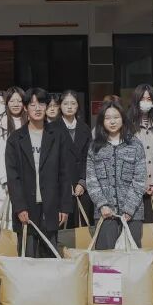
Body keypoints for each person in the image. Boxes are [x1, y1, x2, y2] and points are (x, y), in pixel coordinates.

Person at [6, 88, 71, 257]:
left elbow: (64, 173)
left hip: (51, 206)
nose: (37, 108)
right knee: (27, 259)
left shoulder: (57, 136)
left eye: (41, 104)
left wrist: (64, 206)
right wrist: (19, 207)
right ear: (25, 108)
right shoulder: (15, 139)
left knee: (50, 257)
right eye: (32, 104)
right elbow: (13, 177)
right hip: (26, 207)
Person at [86, 101, 147, 248]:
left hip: (133, 214)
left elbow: (139, 179)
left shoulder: (135, 145)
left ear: (123, 119)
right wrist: (102, 205)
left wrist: (129, 208)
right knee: (107, 258)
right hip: (105, 213)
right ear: (102, 121)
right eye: (107, 118)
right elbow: (91, 180)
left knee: (131, 256)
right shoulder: (95, 147)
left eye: (116, 117)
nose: (112, 121)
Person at [0, 86, 26, 222]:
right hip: (4, 184)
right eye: (12, 101)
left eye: (19, 101)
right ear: (7, 103)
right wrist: (6, 180)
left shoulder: (31, 123)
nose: (16, 104)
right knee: (6, 225)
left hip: (27, 181)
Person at [130, 84, 153, 224]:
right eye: (142, 99)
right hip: (134, 191)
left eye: (149, 99)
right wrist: (141, 183)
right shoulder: (128, 126)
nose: (145, 102)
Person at [58, 90, 93, 226]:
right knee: (62, 229)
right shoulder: (52, 129)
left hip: (81, 187)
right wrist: (64, 185)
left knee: (82, 228)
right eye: (65, 103)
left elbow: (89, 158)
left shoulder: (85, 128)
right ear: (60, 106)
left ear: (78, 105)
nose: (69, 106)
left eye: (73, 103)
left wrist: (83, 182)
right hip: (61, 187)